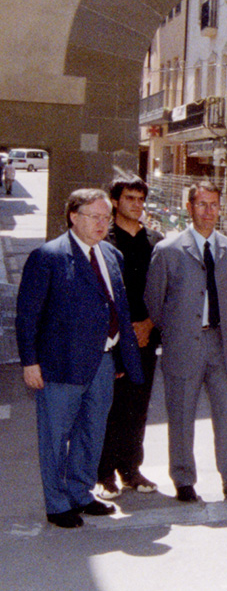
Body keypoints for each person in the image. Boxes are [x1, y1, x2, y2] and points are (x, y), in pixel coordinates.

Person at [16, 188, 143, 528]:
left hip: (103, 362)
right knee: (55, 438)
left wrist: (120, 357)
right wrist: (30, 362)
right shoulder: (48, 257)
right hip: (60, 364)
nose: (102, 224)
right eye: (94, 217)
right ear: (73, 217)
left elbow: (118, 308)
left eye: (106, 217)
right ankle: (57, 504)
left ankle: (81, 493)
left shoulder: (112, 255)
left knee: (92, 432)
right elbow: (28, 316)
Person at [144, 181, 227, 502]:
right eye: (201, 204)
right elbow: (155, 303)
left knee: (226, 413)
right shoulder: (168, 250)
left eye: (213, 205)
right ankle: (183, 479)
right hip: (183, 344)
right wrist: (177, 332)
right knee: (182, 414)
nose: (208, 211)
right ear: (189, 207)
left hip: (219, 343)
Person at [95, 176, 165, 499]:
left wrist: (149, 324)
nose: (137, 205)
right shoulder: (104, 240)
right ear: (115, 202)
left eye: (140, 199)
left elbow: (167, 291)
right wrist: (122, 331)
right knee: (109, 406)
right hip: (112, 340)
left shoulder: (156, 242)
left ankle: (130, 469)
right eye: (129, 198)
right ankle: (104, 473)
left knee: (138, 406)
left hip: (146, 337)